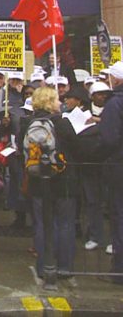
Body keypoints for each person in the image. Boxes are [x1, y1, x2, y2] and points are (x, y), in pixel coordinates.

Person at [24, 87, 77, 280]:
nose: (60, 103)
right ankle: (64, 267)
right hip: (63, 181)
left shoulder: (27, 122)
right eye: (56, 100)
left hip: (37, 182)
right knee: (64, 224)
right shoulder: (61, 123)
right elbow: (76, 147)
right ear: (49, 102)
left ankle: (44, 267)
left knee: (42, 225)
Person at [98, 62, 123, 283]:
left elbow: (109, 138)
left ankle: (119, 271)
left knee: (119, 216)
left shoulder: (115, 104)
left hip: (118, 167)